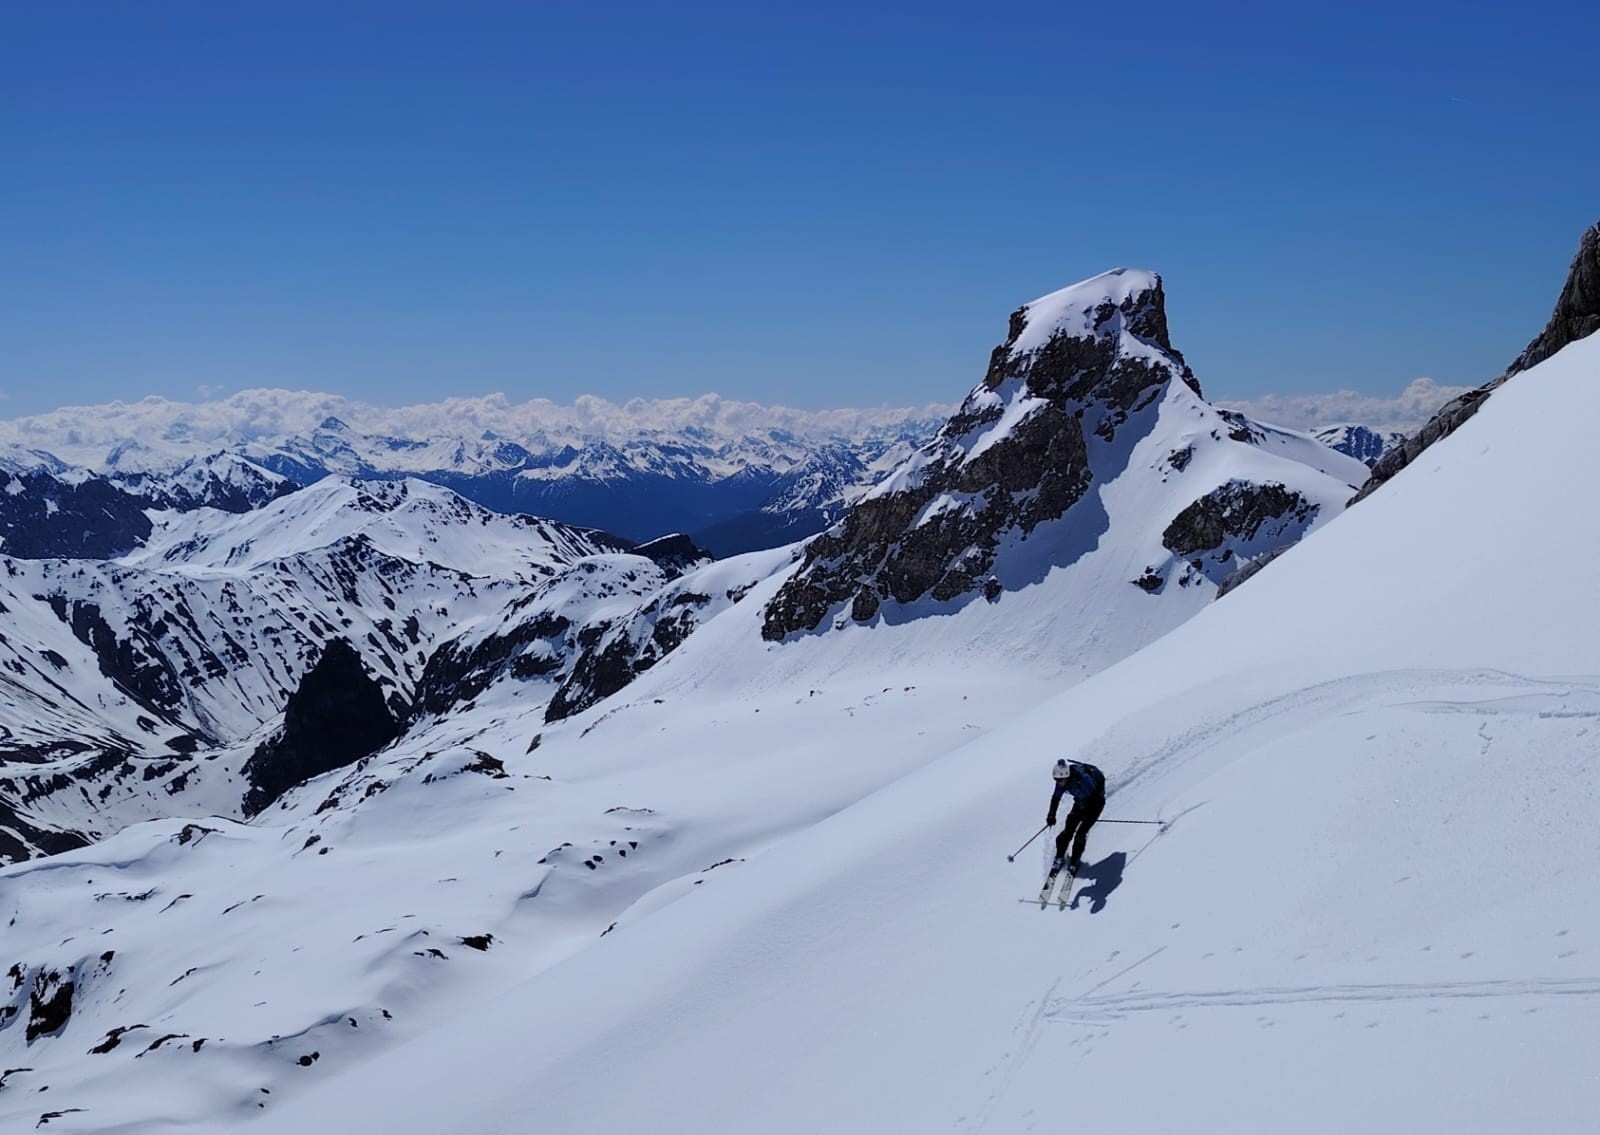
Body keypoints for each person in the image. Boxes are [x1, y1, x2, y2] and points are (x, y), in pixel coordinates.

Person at [1046, 758, 1105, 877]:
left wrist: (1085, 813)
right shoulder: (1061, 782)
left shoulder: (1083, 779)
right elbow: (1055, 798)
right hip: (1080, 803)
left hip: (1095, 804)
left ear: (1066, 776)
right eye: (1055, 780)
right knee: (1067, 831)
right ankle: (1059, 857)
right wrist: (1051, 814)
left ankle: (1074, 861)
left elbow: (1095, 796)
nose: (1057, 783)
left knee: (1080, 834)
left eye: (1059, 780)